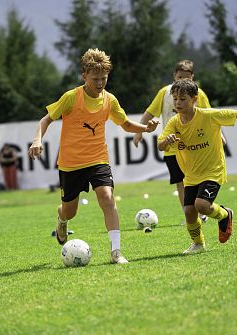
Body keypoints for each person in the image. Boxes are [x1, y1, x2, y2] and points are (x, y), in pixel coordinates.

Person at [28, 48, 159, 264]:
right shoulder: (71, 98)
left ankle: (116, 252)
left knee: (107, 198)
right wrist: (37, 139)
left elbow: (125, 124)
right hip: (70, 164)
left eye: (104, 78)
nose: (100, 83)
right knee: (70, 211)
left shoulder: (110, 100)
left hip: (98, 158)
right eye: (95, 78)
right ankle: (61, 220)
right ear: (84, 75)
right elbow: (45, 120)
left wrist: (145, 128)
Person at [157, 79, 237, 254]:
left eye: (183, 99)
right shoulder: (174, 122)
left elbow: (236, 114)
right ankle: (198, 244)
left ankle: (225, 214)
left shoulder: (208, 115)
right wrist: (166, 141)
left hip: (213, 171)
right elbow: (160, 146)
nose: (178, 103)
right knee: (189, 211)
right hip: (191, 175)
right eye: (175, 99)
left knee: (201, 206)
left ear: (194, 99)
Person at [134, 60, 215, 224]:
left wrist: (218, 135)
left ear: (192, 77)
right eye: (179, 77)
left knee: (196, 179)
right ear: (174, 76)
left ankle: (201, 211)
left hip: (195, 146)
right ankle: (189, 214)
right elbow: (150, 113)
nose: (181, 81)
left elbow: (211, 117)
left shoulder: (199, 95)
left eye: (186, 78)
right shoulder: (164, 93)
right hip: (172, 147)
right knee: (180, 181)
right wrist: (139, 131)